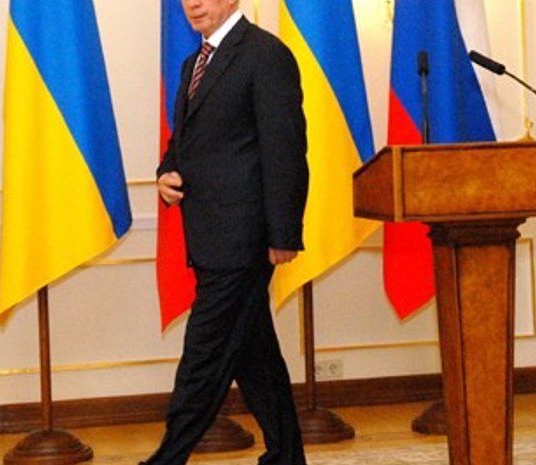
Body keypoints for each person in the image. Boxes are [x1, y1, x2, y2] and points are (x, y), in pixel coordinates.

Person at [142, 0, 308, 464]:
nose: (192, 4)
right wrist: (166, 172)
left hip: (244, 238)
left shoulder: (265, 54)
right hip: (209, 233)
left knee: (205, 355)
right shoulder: (192, 63)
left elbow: (285, 148)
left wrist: (283, 233)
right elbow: (185, 141)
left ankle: (166, 459)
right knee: (255, 356)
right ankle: (287, 457)